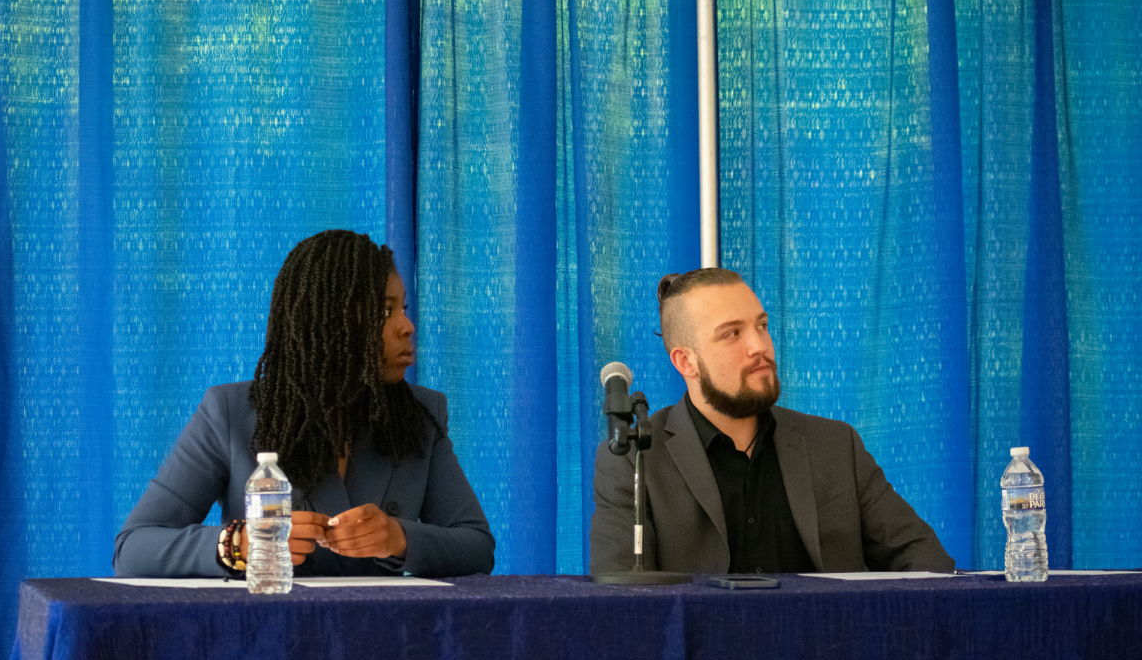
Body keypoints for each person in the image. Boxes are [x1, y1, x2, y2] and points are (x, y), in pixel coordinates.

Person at [114, 230, 495, 578]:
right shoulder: (229, 412)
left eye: (404, 308)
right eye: (385, 311)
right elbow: (132, 549)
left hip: (384, 636)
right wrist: (237, 545)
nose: (407, 326)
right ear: (330, 320)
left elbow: (477, 547)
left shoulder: (420, 415)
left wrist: (400, 539)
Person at [589, 268, 954, 575]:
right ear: (686, 362)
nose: (759, 346)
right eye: (733, 333)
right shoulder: (635, 459)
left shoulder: (834, 445)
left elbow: (926, 562)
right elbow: (620, 603)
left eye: (761, 326)